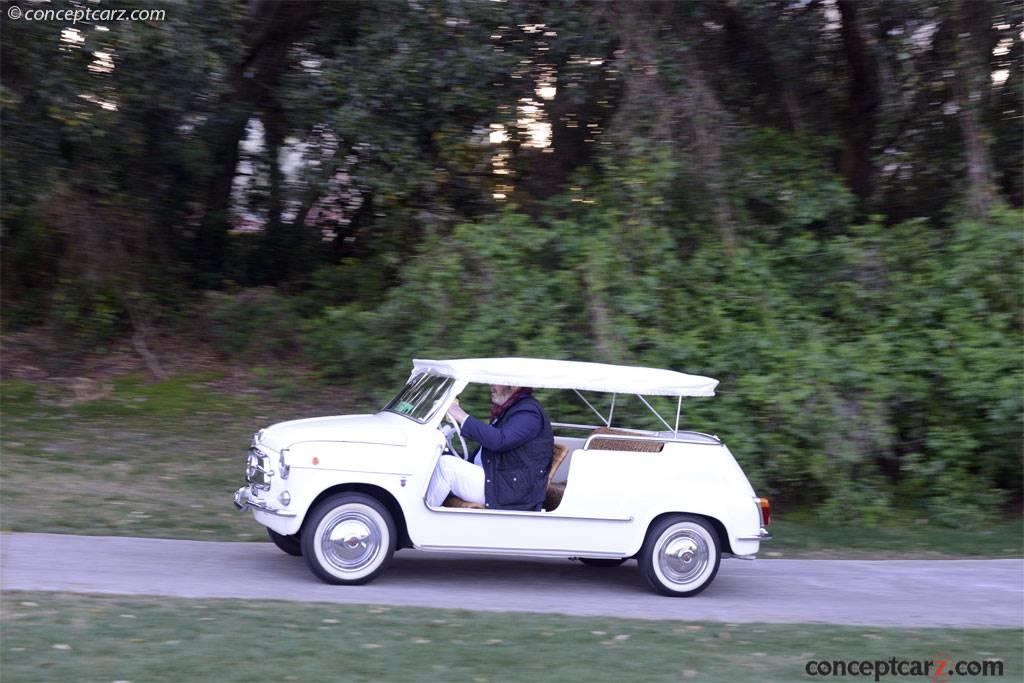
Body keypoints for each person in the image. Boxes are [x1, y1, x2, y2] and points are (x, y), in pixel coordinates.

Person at [426, 384, 554, 511]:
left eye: (496, 382)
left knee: (446, 466)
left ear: (513, 386)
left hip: (508, 490)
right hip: (497, 476)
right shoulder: (510, 408)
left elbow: (500, 440)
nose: (491, 386)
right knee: (439, 457)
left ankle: (421, 518)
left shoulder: (528, 412)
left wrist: (458, 413)